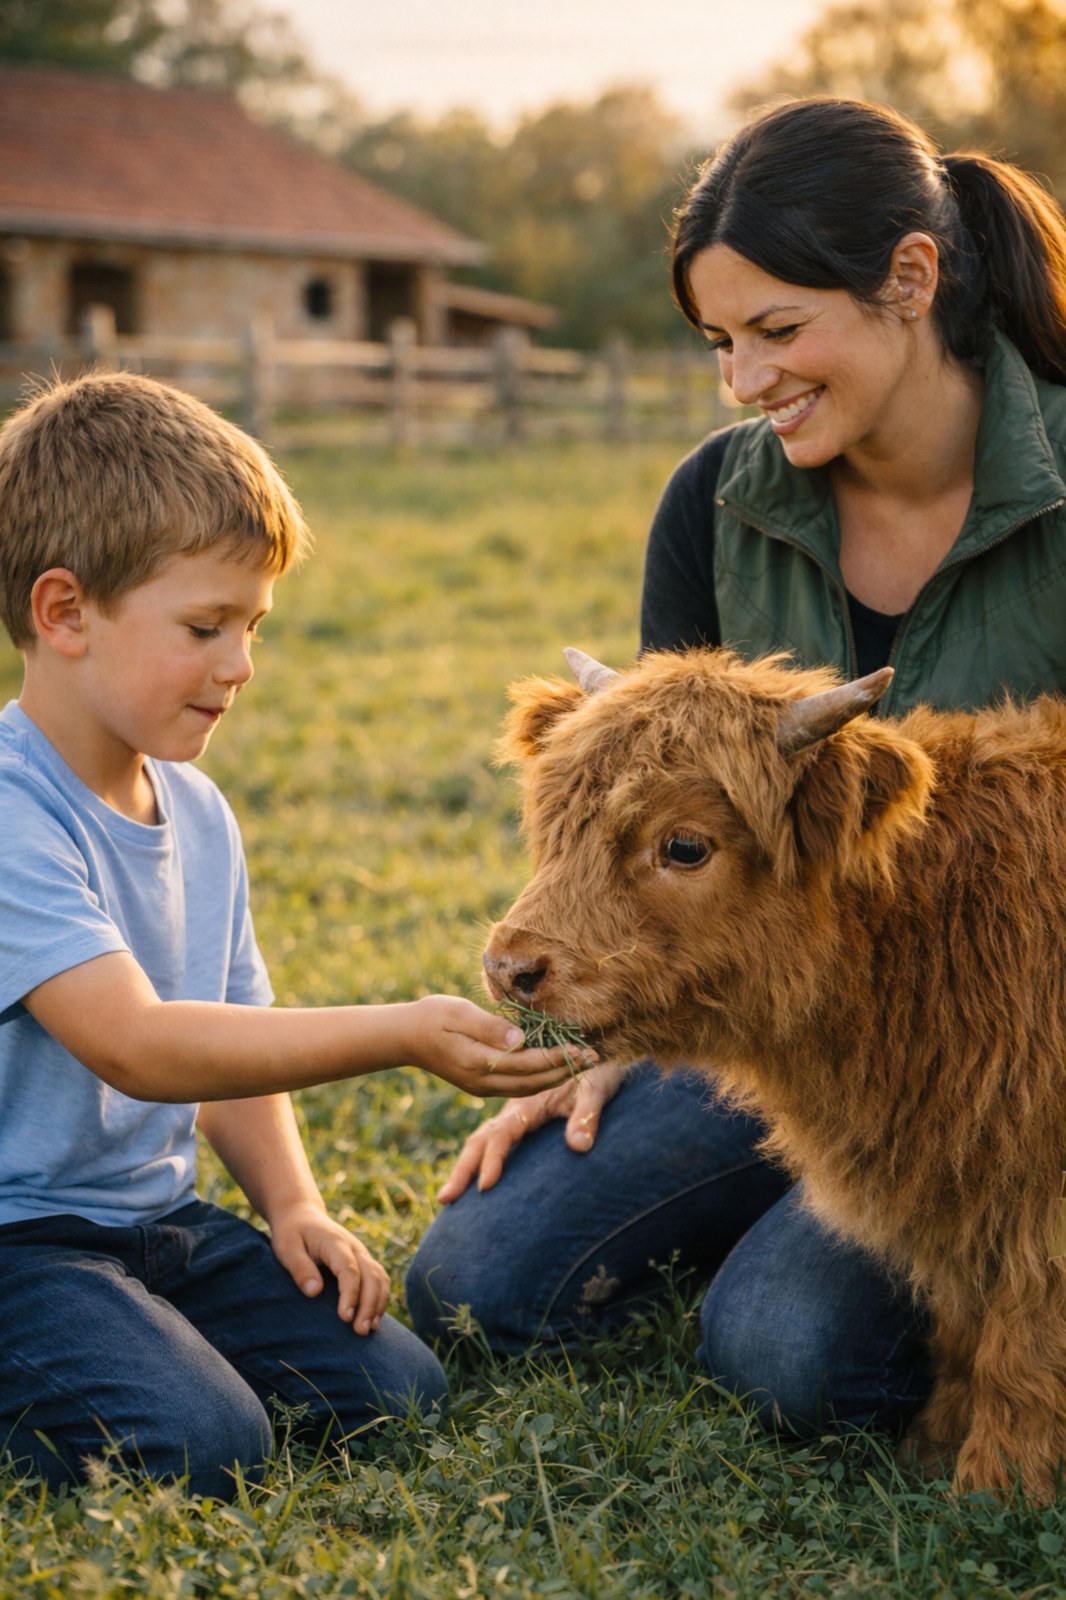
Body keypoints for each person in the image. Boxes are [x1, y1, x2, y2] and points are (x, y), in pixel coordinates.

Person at [405, 95, 1066, 1443]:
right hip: (760, 1013)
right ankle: (799, 1192)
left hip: (1007, 1052)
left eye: (777, 331)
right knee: (477, 1278)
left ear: (910, 280)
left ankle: (833, 1241)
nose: (743, 381)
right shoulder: (713, 500)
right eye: (718, 342)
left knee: (789, 1352)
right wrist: (603, 1028)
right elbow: (639, 803)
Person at [0, 370, 585, 1499]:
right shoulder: (11, 810)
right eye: (205, 626)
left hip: (155, 1223)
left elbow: (234, 1047)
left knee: (391, 1392)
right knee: (202, 1444)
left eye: (253, 626)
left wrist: (294, 1208)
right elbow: (139, 1044)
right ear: (64, 612)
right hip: (19, 1244)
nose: (240, 666)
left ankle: (134, 1332)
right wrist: (405, 1029)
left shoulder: (198, 810)